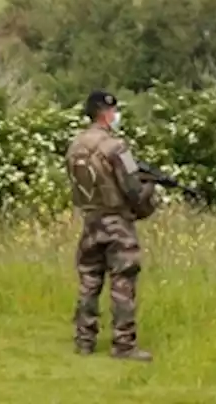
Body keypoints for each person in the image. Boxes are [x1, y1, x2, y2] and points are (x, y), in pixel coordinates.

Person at [65, 89, 157, 362]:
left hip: (90, 220)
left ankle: (84, 340)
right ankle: (124, 344)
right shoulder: (117, 147)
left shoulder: (75, 145)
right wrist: (149, 192)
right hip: (117, 222)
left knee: (89, 281)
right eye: (115, 111)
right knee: (123, 281)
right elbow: (132, 188)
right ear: (106, 113)